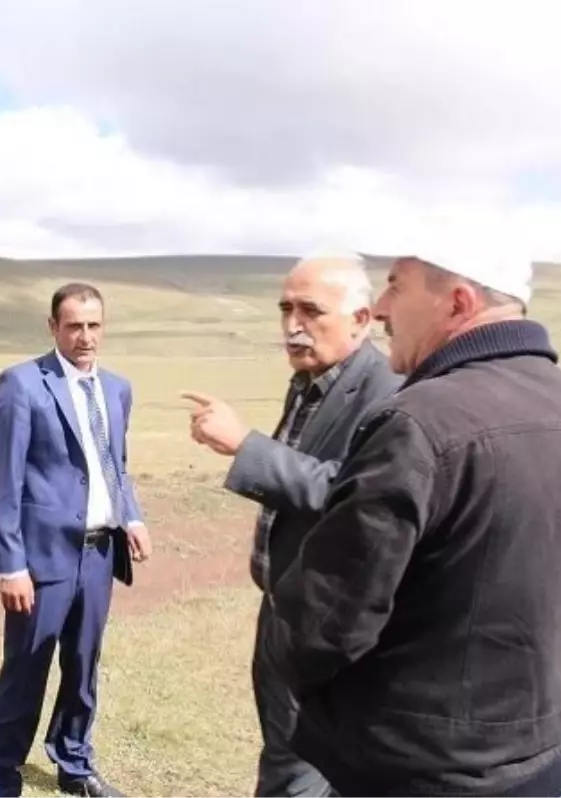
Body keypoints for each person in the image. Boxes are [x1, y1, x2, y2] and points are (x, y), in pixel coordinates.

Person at [266, 237, 561, 798]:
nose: (381, 308)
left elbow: (325, 619)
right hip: (539, 761)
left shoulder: (419, 422)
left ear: (457, 304)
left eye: (396, 287)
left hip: (418, 770)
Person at [182, 253, 400, 798]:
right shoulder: (310, 381)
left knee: (297, 772)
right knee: (289, 755)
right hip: (287, 607)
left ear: (361, 319)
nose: (293, 325)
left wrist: (246, 446)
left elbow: (353, 494)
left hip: (331, 625)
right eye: (285, 309)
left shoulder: (388, 393)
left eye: (311, 310)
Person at [0, 282, 152, 798]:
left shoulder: (117, 389)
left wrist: (131, 516)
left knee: (83, 666)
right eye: (74, 325)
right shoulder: (22, 385)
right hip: (42, 561)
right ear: (53, 326)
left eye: (93, 325)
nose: (85, 336)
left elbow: (115, 465)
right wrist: (11, 565)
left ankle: (75, 764)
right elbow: (3, 482)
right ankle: (4, 775)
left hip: (99, 554)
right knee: (26, 669)